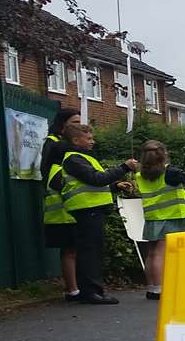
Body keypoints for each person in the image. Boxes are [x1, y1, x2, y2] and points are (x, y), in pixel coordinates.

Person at [55, 122, 137, 304]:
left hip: (90, 209)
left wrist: (115, 186)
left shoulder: (83, 157)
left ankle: (93, 291)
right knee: (90, 252)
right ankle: (91, 292)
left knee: (92, 251)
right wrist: (123, 168)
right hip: (86, 209)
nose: (93, 141)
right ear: (76, 140)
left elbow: (92, 183)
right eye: (89, 138)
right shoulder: (74, 159)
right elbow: (96, 179)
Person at [130, 139, 185, 301]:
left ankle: (152, 287)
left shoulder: (140, 174)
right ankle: (160, 288)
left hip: (153, 217)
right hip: (170, 217)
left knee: (152, 254)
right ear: (164, 154)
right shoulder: (169, 172)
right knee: (161, 253)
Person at [40, 108, 81, 301]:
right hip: (61, 206)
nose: (78, 126)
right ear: (62, 124)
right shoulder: (54, 144)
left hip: (74, 205)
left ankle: (77, 287)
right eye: (74, 122)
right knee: (69, 249)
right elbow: (51, 173)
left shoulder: (65, 143)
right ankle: (72, 289)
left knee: (75, 249)